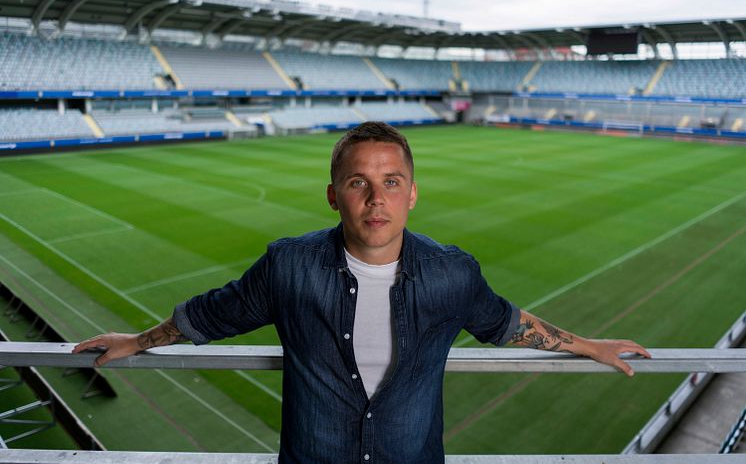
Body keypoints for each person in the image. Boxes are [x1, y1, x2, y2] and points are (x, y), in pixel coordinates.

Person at [73, 121, 650, 463]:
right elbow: (213, 314)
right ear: (333, 195)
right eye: (359, 183)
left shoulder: (453, 274)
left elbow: (507, 324)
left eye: (391, 183)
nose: (377, 199)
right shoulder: (288, 266)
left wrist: (587, 346)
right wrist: (141, 340)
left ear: (412, 195)